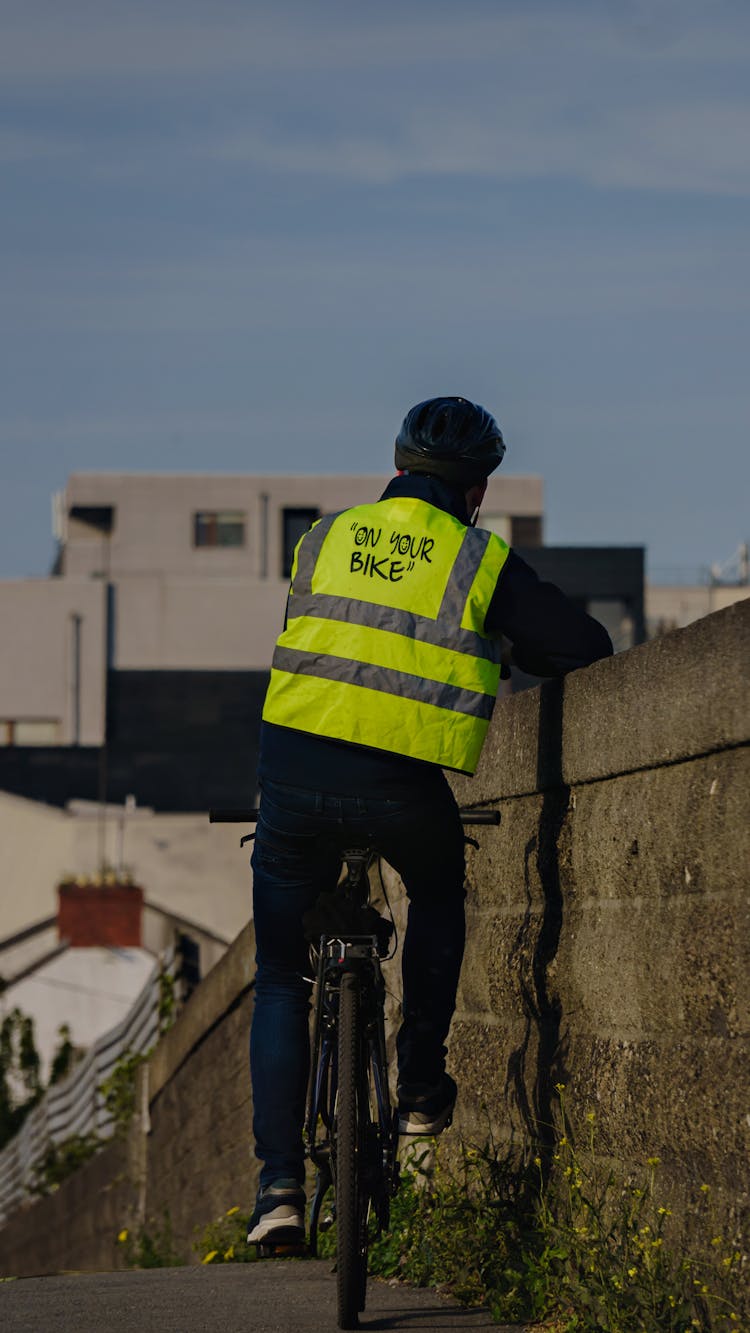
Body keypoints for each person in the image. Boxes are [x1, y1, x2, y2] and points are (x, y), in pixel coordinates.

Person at [247, 396, 613, 1245]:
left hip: (293, 776)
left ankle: (276, 1195)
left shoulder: (325, 536)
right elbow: (584, 648)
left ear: (398, 467)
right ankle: (417, 1087)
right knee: (440, 891)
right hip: (401, 788)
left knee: (278, 977)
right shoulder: (479, 561)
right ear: (477, 489)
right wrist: (505, 642)